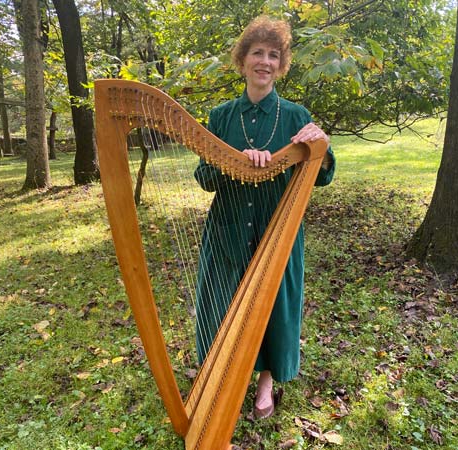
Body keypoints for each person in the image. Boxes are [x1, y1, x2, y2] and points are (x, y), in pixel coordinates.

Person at [193, 15, 336, 419]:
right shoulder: (221, 116)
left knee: (274, 305)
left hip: (280, 227)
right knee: (222, 302)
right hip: (228, 228)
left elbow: (322, 173)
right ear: (243, 61)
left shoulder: (294, 115)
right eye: (258, 52)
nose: (265, 61)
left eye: (274, 55)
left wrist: (320, 144)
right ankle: (222, 375)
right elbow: (204, 177)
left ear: (281, 64)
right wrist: (235, 162)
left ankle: (265, 383)